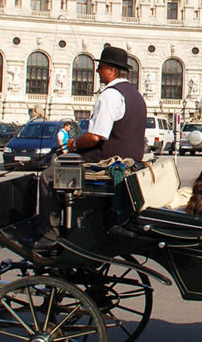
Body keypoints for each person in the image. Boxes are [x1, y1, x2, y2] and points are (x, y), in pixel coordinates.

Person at [36, 44, 148, 249]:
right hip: (130, 158)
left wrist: (74, 143)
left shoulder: (110, 95)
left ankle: (49, 235)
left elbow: (96, 136)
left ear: (112, 71)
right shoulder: (135, 95)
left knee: (49, 176)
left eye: (101, 67)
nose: (97, 72)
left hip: (107, 159)